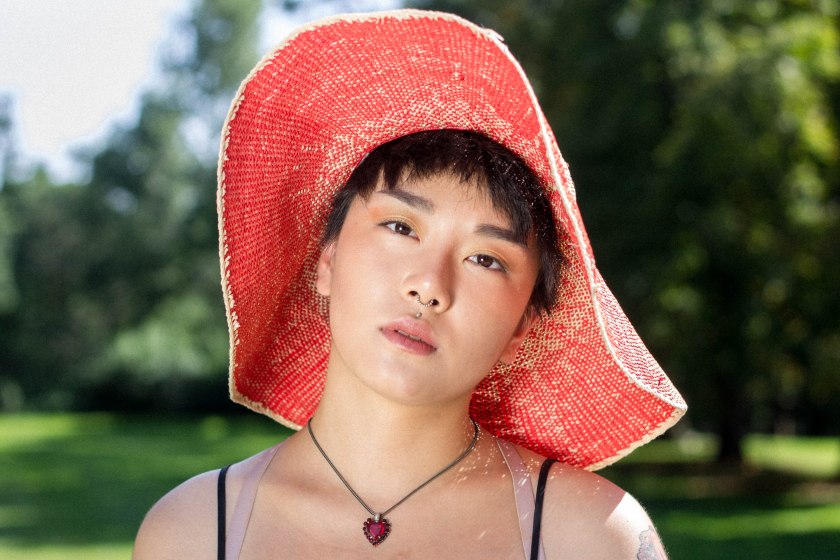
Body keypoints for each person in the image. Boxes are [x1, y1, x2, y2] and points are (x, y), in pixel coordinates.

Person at [133, 9, 686, 559]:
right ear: (326, 259)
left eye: (485, 259)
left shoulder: (591, 537)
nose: (429, 286)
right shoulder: (192, 532)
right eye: (400, 227)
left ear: (523, 325)